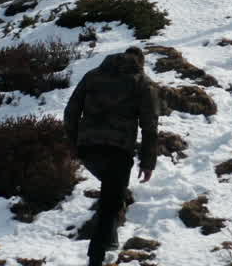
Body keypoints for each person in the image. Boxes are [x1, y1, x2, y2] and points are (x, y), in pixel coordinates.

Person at [63, 47, 160, 266]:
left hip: (88, 147)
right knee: (110, 203)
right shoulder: (143, 83)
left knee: (112, 193)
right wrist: (147, 162)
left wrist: (73, 143)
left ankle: (110, 239)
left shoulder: (92, 75)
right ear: (140, 63)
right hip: (118, 150)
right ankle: (95, 258)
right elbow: (150, 126)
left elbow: (70, 111)